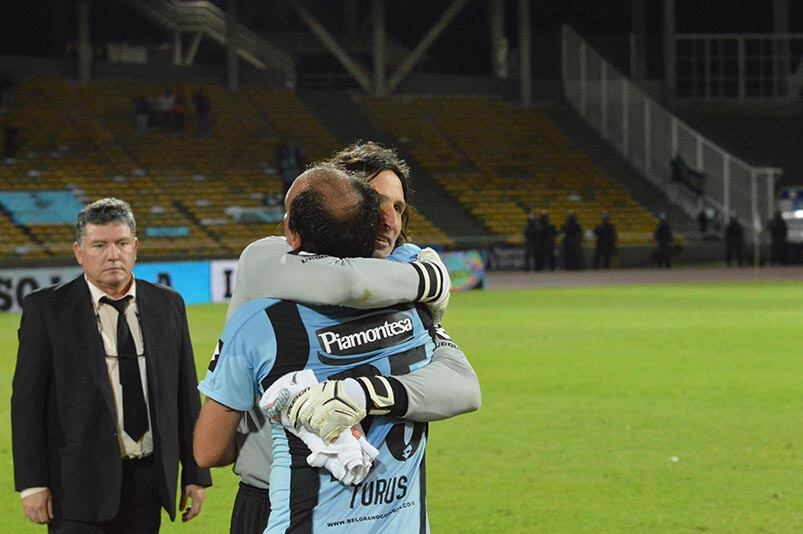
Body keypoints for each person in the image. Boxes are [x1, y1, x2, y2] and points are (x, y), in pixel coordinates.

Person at [207, 142, 479, 534]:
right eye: (375, 202)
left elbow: (464, 385)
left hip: (375, 506)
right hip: (275, 498)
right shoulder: (270, 261)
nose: (389, 220)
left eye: (399, 208)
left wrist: (365, 394)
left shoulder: (400, 292)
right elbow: (349, 282)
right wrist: (430, 277)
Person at [11, 198, 211, 531]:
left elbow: (185, 396)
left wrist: (195, 473)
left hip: (149, 483)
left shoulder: (168, 305)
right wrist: (32, 483)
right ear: (79, 252)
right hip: (76, 486)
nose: (112, 254)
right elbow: (27, 402)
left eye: (121, 244)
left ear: (135, 247)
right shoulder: (48, 310)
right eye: (99, 245)